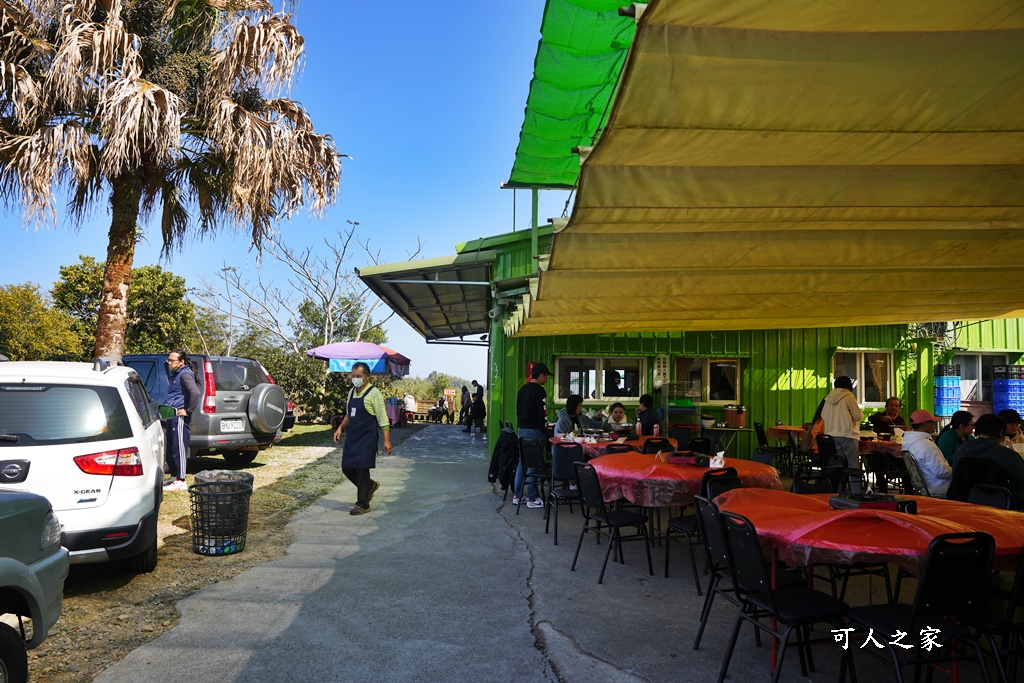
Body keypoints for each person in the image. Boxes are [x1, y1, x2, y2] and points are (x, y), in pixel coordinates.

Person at [332, 362, 392, 515]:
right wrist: (340, 428)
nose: (355, 379)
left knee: (362, 469)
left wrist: (386, 440)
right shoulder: (352, 392)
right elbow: (348, 414)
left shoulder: (374, 393)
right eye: (353, 376)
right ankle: (370, 486)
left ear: (367, 377)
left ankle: (363, 504)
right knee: (347, 467)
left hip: (367, 437)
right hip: (353, 436)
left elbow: (383, 418)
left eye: (358, 376)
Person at [953, 413, 1024, 508]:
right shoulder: (1007, 455)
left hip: (964, 503)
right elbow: (1021, 480)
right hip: (1002, 505)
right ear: (1001, 432)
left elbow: (955, 477)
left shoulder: (961, 451)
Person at [163, 349, 200, 491]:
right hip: (172, 415)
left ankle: (181, 479)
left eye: (172, 360)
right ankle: (173, 476)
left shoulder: (184, 374)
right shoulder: (176, 374)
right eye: (169, 360)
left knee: (179, 447)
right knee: (172, 447)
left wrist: (188, 410)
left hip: (179, 417)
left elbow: (195, 392)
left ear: (181, 362)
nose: (169, 363)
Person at [514, 362, 550, 508]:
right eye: (546, 376)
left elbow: (518, 410)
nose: (546, 379)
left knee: (522, 463)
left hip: (521, 429)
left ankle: (517, 495)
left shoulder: (522, 390)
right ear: (542, 375)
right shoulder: (540, 391)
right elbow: (542, 413)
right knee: (534, 464)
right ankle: (532, 498)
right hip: (534, 431)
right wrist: (545, 427)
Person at [821, 376, 864, 492]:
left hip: (831, 436)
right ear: (848, 385)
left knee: (839, 465)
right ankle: (856, 493)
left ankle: (839, 491)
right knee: (853, 466)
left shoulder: (828, 398)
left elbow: (823, 416)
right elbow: (857, 416)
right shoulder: (848, 396)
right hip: (848, 435)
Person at [901, 409, 952, 497]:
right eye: (932, 422)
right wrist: (957, 471)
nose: (934, 424)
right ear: (924, 424)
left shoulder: (910, 442)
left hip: (927, 486)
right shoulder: (925, 444)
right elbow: (941, 472)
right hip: (939, 486)